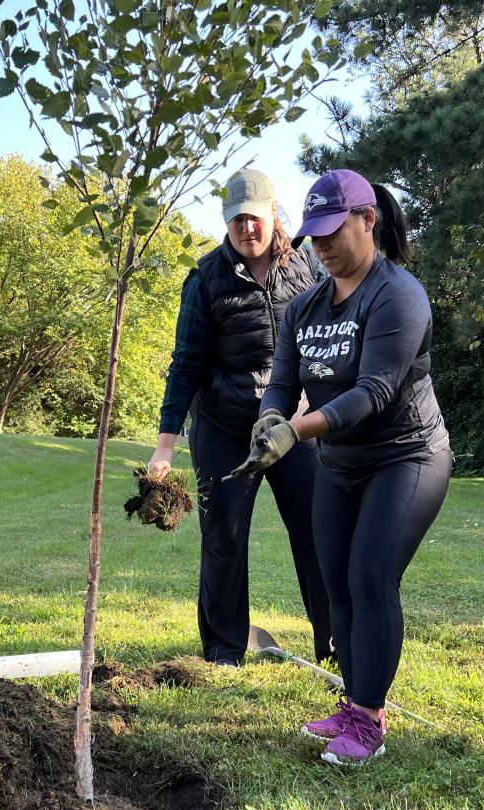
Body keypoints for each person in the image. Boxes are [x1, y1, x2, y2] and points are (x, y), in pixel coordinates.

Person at [239, 168, 451, 765]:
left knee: (369, 578)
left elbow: (374, 391)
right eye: (314, 234)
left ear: (368, 220)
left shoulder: (398, 294)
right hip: (339, 463)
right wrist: (269, 418)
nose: (322, 245)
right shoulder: (305, 306)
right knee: (335, 584)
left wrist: (295, 429)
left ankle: (369, 722)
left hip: (407, 457)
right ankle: (353, 703)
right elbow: (281, 382)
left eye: (334, 231)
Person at [147, 168, 333, 667]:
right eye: (236, 221)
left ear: (273, 214)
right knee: (224, 537)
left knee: (319, 534)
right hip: (226, 428)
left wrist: (323, 407)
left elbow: (325, 344)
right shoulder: (206, 279)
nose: (246, 229)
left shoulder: (307, 269)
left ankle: (334, 647)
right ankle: (224, 651)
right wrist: (165, 446)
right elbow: (185, 364)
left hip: (293, 427)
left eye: (253, 218)